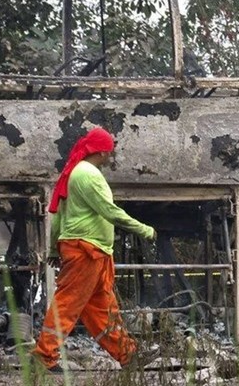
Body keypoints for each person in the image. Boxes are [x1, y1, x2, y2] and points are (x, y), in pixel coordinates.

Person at [32, 127, 157, 372]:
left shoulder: (73, 173)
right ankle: (43, 356)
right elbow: (110, 211)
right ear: (101, 151)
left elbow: (57, 215)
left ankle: (128, 355)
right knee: (67, 304)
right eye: (109, 152)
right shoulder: (88, 174)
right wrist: (144, 230)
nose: (110, 157)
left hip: (90, 250)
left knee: (102, 309)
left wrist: (55, 248)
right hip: (86, 250)